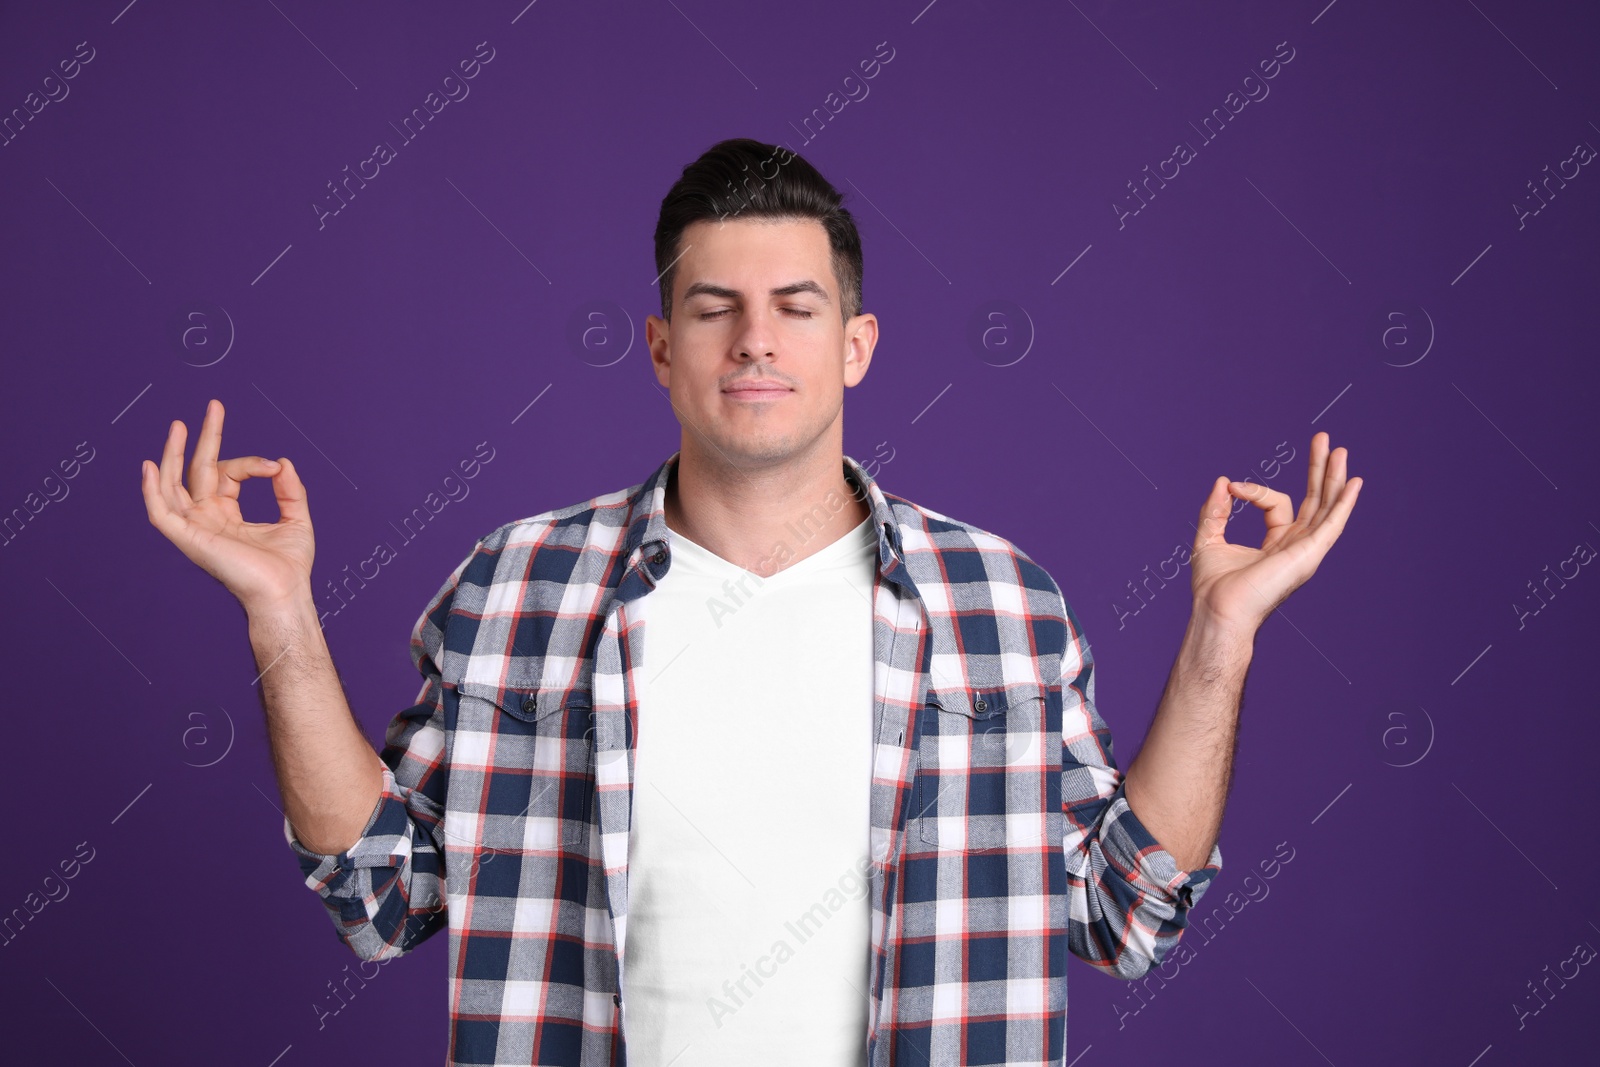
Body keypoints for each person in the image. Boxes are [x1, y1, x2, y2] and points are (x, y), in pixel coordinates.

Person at [140, 137, 1361, 1067]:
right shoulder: (516, 585)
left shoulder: (998, 600)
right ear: (664, 347)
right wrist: (281, 616)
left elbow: (1124, 914)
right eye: (714, 309)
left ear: (857, 345)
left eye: (796, 307)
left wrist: (1221, 636)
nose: (753, 343)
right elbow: (383, 896)